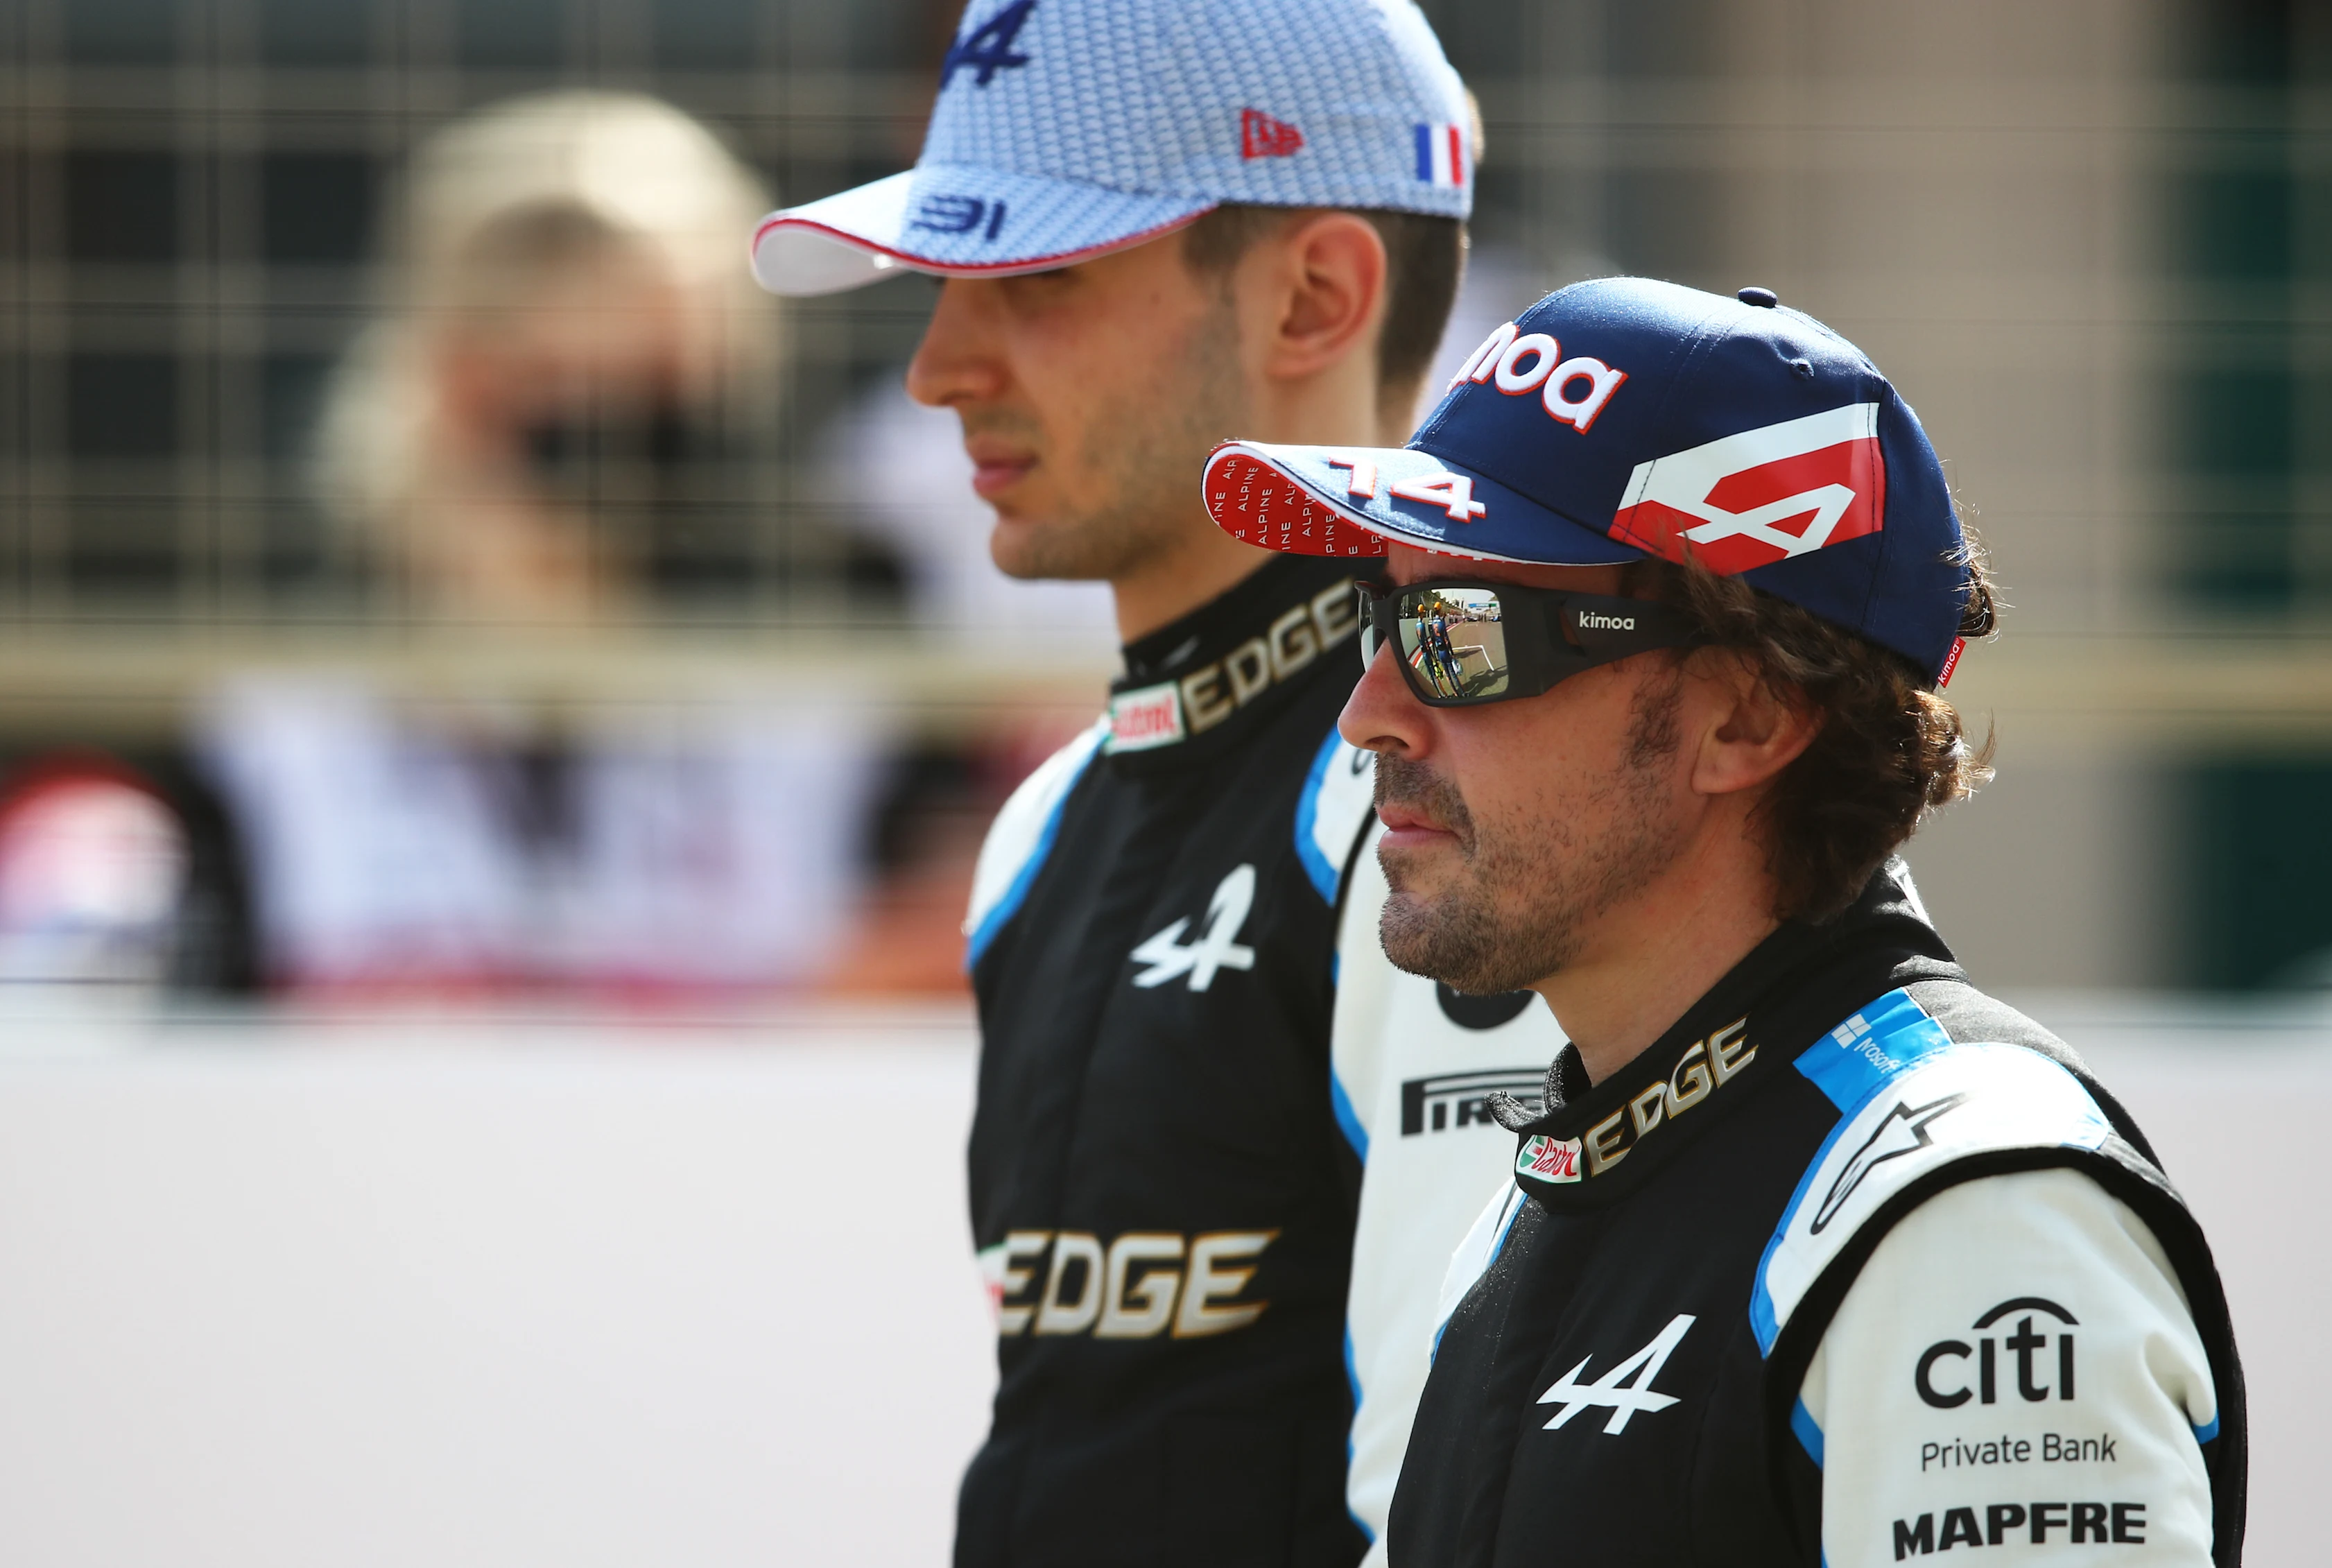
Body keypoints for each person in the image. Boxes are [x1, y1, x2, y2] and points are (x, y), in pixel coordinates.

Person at [1198, 277, 2246, 1567]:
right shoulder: (1551, 1196)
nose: (1370, 712)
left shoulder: (1967, 1218)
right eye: (1381, 612)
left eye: (1458, 631)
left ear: (1746, 716)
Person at [748, 2, 1561, 1562]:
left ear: (1316, 297)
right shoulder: (1044, 828)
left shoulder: (1440, 796)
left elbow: (1485, 1494)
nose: (937, 369)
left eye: (1037, 278)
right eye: (940, 285)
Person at [196, 92, 884, 997]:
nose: (663, 452)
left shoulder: (822, 705)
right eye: (612, 390)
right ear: (465, 379)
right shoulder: (274, 723)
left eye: (689, 396)